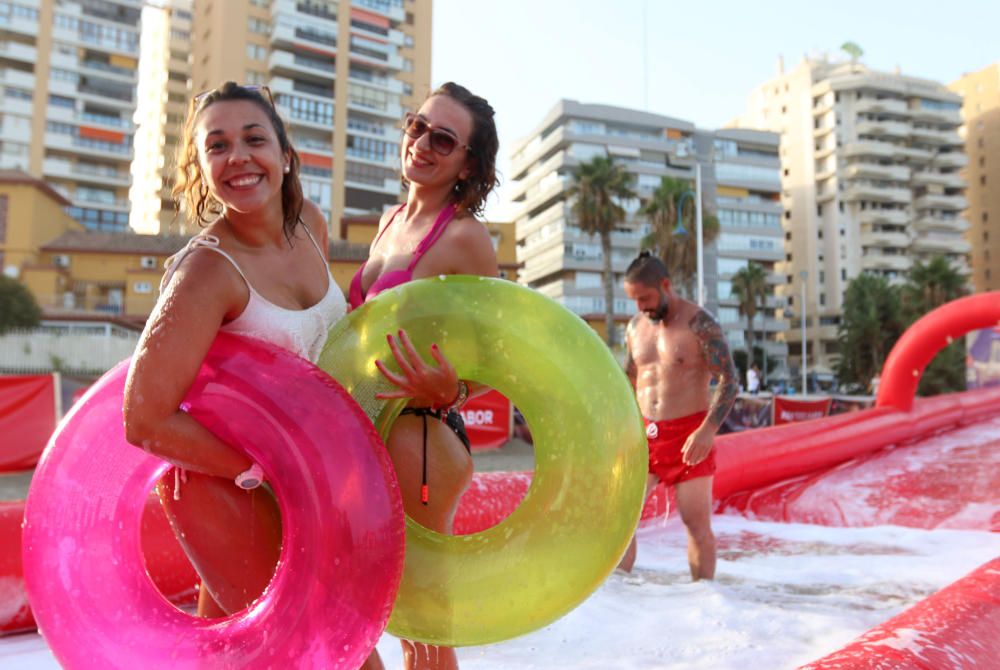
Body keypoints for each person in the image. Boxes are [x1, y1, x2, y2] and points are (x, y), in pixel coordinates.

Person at [122, 82, 348, 619]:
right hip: (230, 483)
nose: (239, 157)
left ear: (285, 157)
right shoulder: (205, 272)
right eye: (217, 146)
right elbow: (144, 418)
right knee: (334, 643)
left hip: (312, 476)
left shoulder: (311, 227)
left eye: (254, 139)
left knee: (228, 648)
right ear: (201, 167)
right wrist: (257, 470)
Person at [351, 82, 499, 670]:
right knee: (364, 601)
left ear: (468, 163)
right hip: (369, 431)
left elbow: (502, 356)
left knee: (422, 618)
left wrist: (455, 391)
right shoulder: (389, 222)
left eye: (444, 139)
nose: (423, 144)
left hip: (424, 436)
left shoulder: (465, 237)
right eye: (418, 126)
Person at [617, 252, 739, 580]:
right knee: (621, 522)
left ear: (665, 285)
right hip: (644, 436)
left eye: (645, 297)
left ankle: (704, 601)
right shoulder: (634, 327)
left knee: (695, 524)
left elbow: (730, 379)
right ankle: (616, 605)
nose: (640, 306)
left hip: (690, 435)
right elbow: (627, 379)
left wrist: (707, 431)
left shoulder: (699, 323)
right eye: (634, 300)